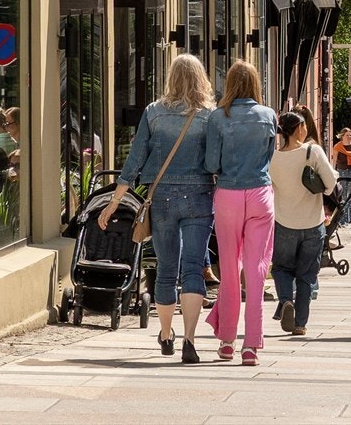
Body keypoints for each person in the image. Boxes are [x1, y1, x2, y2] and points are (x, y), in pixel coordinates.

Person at [98, 54, 215, 364]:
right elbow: (217, 162)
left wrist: (114, 202)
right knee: (193, 268)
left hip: (160, 196)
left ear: (171, 78)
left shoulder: (153, 112)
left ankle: (165, 333)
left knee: (166, 268)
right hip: (200, 195)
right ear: (201, 79)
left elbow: (135, 160)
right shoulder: (209, 116)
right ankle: (190, 338)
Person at [203, 60, 278, 366]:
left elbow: (210, 163)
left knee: (230, 271)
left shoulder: (218, 117)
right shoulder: (268, 115)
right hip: (260, 193)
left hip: (229, 195)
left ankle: (227, 341)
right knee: (257, 269)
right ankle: (252, 345)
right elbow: (269, 156)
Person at [270, 111, 337, 339]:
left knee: (281, 268)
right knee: (307, 274)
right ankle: (300, 324)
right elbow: (329, 186)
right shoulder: (312, 151)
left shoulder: (273, 158)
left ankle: (286, 299)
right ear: (299, 128)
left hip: (284, 222)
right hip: (312, 223)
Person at [331, 128, 351, 227]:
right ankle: (345, 219)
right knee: (343, 197)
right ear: (342, 136)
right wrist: (333, 173)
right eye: (347, 135)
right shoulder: (338, 147)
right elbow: (334, 161)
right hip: (341, 174)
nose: (349, 137)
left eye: (350, 135)